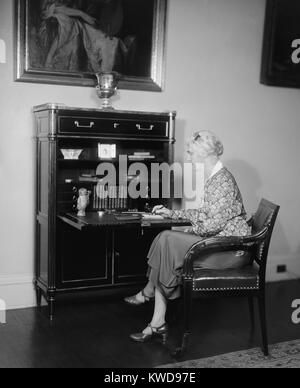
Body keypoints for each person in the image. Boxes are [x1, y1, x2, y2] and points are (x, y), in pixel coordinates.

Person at [125, 130, 252, 343]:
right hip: (219, 242)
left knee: (166, 238)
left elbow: (211, 225)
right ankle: (156, 320)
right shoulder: (216, 178)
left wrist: (190, 229)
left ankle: (150, 299)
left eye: (191, 152)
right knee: (164, 239)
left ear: (203, 153)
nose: (189, 157)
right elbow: (205, 215)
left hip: (229, 249)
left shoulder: (222, 182)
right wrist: (172, 213)